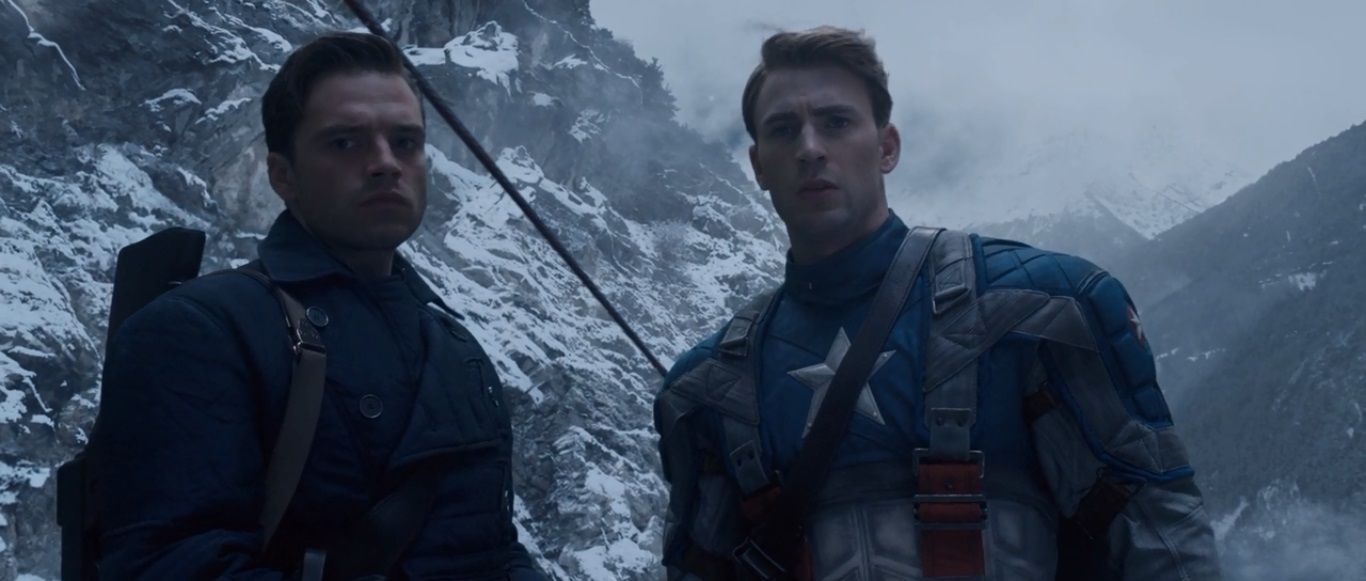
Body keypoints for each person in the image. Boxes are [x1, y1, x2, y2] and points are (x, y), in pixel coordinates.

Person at [654, 26, 1223, 580]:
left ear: (886, 147)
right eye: (784, 130)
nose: (809, 149)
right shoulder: (706, 391)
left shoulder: (1043, 312)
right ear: (758, 165)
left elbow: (1161, 542)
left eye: (836, 123)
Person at [91, 31, 546, 579]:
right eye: (345, 143)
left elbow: (493, 548)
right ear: (282, 175)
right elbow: (172, 563)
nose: (386, 163)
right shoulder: (201, 330)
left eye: (405, 142)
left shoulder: (453, 344)